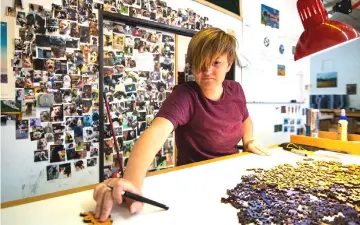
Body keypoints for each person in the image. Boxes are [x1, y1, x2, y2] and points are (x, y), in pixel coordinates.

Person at [92, 27, 271, 222]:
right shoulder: (185, 95)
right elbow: (156, 132)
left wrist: (249, 140)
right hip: (193, 180)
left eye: (216, 63)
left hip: (232, 172)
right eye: (200, 64)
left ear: (229, 63)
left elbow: (245, 118)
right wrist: (131, 181)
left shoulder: (236, 89)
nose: (207, 71)